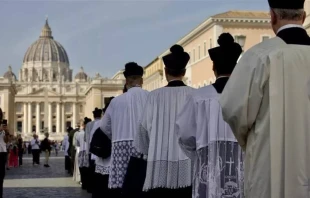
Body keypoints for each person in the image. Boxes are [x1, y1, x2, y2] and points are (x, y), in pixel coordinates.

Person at [219, 1, 310, 197]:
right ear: (303, 17)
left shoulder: (260, 55)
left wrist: (250, 141)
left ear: (273, 17)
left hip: (272, 165)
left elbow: (233, 110)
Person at [176, 33, 244, 198]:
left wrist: (200, 152)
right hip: (245, 168)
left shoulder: (199, 97)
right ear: (236, 67)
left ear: (213, 68)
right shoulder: (249, 94)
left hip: (210, 167)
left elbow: (185, 134)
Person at [134, 45, 194, 198]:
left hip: (159, 161)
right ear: (184, 72)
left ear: (166, 72)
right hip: (189, 165)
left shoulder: (153, 96)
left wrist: (149, 150)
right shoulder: (196, 95)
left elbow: (143, 129)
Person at [100, 62, 149, 198]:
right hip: (145, 148)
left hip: (120, 148)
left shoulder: (115, 102)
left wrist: (115, 135)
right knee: (142, 186)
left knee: (123, 188)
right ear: (142, 80)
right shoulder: (150, 97)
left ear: (127, 81)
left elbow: (104, 126)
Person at [84, 108, 103, 194]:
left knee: (91, 170)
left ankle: (90, 187)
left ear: (94, 115)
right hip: (100, 150)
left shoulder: (88, 125)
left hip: (90, 150)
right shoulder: (102, 123)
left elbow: (85, 138)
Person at [77, 117, 92, 190]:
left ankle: (83, 183)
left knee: (82, 169)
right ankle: (89, 184)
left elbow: (77, 144)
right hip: (88, 152)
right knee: (88, 170)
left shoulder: (79, 134)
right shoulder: (90, 132)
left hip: (81, 152)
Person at [0, 118, 10, 198]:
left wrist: (6, 132)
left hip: (2, 152)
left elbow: (6, 141)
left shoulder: (4, 131)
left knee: (2, 175)